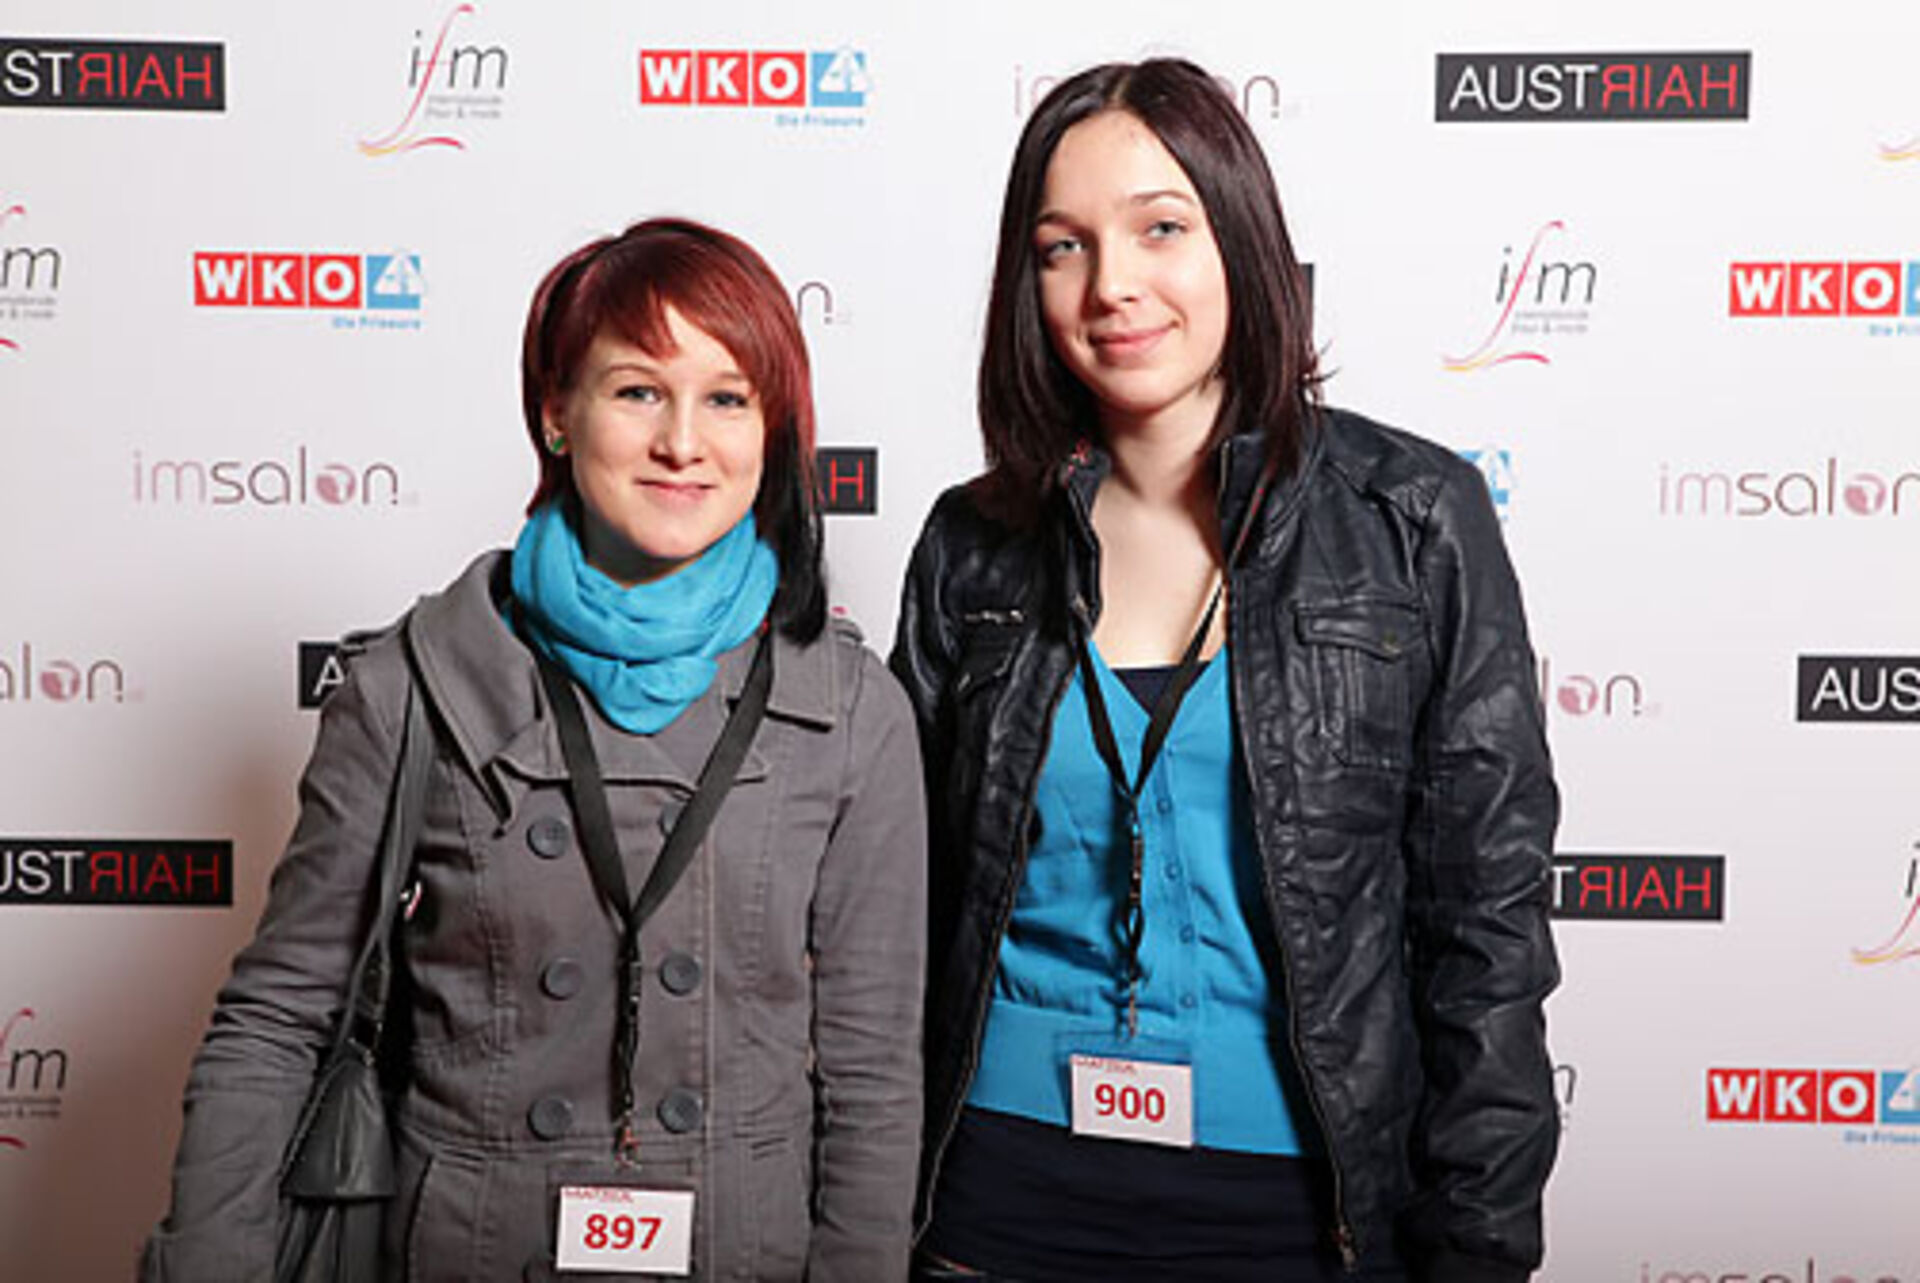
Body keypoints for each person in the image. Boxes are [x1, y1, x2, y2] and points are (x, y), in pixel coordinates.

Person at [143, 218, 926, 1282]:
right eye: (639, 390)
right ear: (558, 412)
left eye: (727, 398)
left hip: (745, 1249)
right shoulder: (415, 684)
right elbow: (278, 1020)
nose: (683, 442)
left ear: (771, 429)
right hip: (472, 1243)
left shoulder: (851, 710)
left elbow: (873, 1077)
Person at [891, 59, 1560, 1282]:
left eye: (1161, 228)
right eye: (1063, 247)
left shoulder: (1413, 518)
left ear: (1240, 242)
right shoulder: (971, 545)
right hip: (1000, 1195)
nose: (1112, 284)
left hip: (1301, 1206)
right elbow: (902, 912)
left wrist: (1477, 1242)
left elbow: (1489, 931)